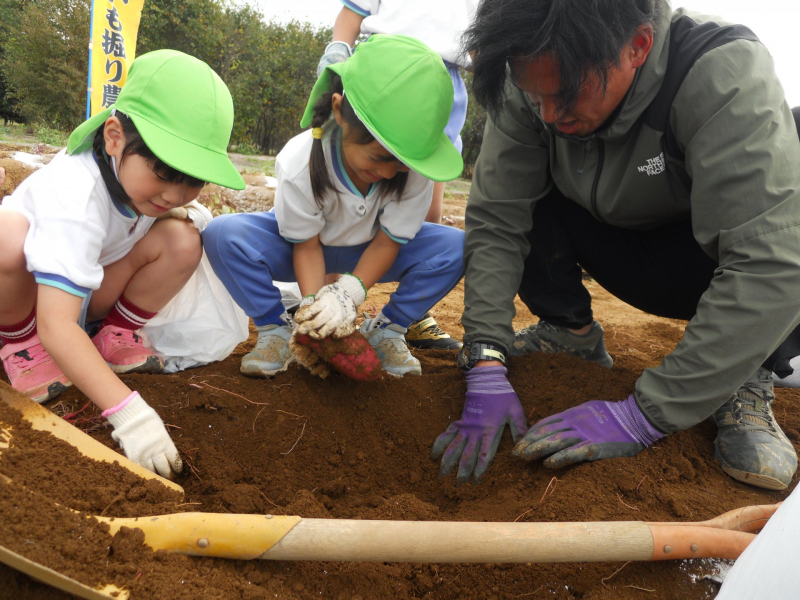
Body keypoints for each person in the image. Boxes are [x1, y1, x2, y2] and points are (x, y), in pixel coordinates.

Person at [432, 0, 800, 491]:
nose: (547, 114)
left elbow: (768, 262)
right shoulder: (535, 81)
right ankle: (570, 332)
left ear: (638, 46)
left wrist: (645, 415)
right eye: (532, 93)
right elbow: (498, 217)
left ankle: (742, 371)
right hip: (611, 247)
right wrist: (484, 356)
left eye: (564, 93)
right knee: (514, 188)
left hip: (707, 265)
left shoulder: (720, 72)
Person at [0, 49, 246, 478]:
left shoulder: (136, 183)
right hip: (33, 305)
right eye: (164, 172)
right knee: (7, 240)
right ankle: (20, 346)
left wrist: (175, 208)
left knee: (182, 238)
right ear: (114, 136)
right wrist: (131, 415)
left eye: (193, 180)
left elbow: (165, 211)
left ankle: (114, 334)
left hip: (80, 293)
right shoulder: (73, 194)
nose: (174, 193)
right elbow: (57, 323)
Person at [203, 34, 465, 379]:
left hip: (372, 250)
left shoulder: (414, 164)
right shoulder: (301, 160)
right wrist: (312, 310)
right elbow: (306, 245)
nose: (388, 172)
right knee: (223, 234)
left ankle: (388, 329)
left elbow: (389, 241)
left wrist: (346, 294)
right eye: (378, 157)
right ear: (339, 112)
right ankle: (276, 328)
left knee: (458, 247)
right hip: (302, 249)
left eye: (400, 165)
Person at [315, 0, 477, 351]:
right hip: (381, 69)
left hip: (439, 81)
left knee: (424, 216)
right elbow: (353, 13)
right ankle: (326, 304)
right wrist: (338, 49)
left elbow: (481, 40)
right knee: (340, 197)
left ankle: (410, 315)